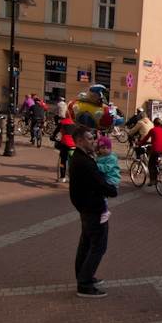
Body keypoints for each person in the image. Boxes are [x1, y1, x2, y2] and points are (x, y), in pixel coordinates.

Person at [69, 127, 118, 298]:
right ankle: (85, 284)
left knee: (86, 244)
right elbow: (97, 182)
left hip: (87, 208)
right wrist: (112, 190)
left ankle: (84, 276)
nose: (93, 141)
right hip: (92, 208)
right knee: (98, 246)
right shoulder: (83, 161)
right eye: (90, 139)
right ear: (80, 141)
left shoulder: (82, 158)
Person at [95, 136, 120, 224]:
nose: (105, 150)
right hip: (105, 178)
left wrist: (95, 165)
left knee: (102, 194)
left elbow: (106, 168)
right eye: (103, 148)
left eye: (107, 148)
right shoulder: (99, 156)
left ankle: (105, 211)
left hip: (111, 179)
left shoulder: (111, 158)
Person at [138, 118, 162, 185]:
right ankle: (158, 172)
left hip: (156, 149)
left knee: (150, 165)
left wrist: (139, 145)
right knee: (156, 163)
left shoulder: (153, 130)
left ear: (154, 123)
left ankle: (153, 179)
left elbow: (145, 138)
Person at [56, 111, 76, 183]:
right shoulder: (76, 123)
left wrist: (52, 137)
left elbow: (56, 131)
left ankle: (62, 177)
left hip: (65, 143)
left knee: (63, 160)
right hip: (75, 144)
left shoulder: (62, 122)